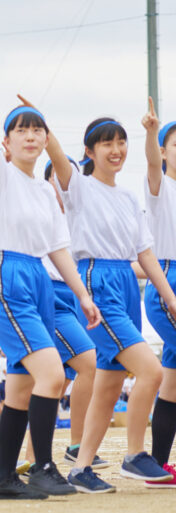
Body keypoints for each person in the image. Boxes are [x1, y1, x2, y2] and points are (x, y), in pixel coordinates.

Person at [0, 76, 100, 500]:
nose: (31, 135)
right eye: (21, 129)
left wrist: (82, 294)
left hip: (40, 277)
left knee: (21, 387)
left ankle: (5, 479)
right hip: (7, 273)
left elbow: (59, 248)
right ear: (6, 141)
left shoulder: (45, 190)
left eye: (37, 129)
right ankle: (43, 466)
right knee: (53, 374)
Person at [61, 102, 176, 491]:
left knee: (109, 385)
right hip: (97, 281)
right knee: (152, 370)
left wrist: (169, 296)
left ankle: (81, 469)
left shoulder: (128, 198)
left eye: (121, 142)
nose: (116, 150)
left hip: (126, 282)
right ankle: (135, 455)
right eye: (107, 143)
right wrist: (39, 132)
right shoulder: (78, 185)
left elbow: (145, 252)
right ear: (89, 151)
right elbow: (60, 164)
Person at [42, 158, 107, 470]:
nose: (65, 181)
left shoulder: (81, 219)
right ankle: (77, 444)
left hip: (76, 299)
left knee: (55, 381)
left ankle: (29, 456)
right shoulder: (38, 212)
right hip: (50, 294)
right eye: (58, 174)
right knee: (89, 363)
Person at [145, 115, 176, 486]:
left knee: (171, 383)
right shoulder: (160, 186)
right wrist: (152, 134)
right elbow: (152, 162)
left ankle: (157, 463)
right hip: (167, 277)